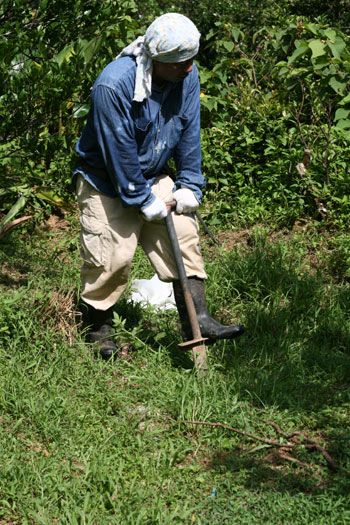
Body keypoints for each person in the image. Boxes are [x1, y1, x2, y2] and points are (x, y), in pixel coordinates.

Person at [73, 13, 245, 359]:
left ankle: (199, 320)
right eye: (182, 62)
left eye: (191, 59)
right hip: (105, 181)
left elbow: (188, 130)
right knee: (112, 258)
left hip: (152, 174)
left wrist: (190, 185)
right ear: (158, 60)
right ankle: (98, 330)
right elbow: (117, 150)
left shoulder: (186, 75)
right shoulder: (114, 84)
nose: (189, 68)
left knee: (183, 235)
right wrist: (140, 199)